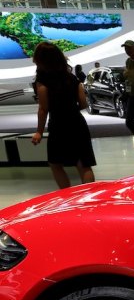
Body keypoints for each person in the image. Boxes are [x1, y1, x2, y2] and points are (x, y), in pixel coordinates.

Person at [30, 41, 96, 189]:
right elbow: (83, 103)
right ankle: (91, 198)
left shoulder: (42, 81)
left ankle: (67, 198)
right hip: (77, 122)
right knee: (84, 164)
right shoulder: (72, 78)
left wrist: (39, 132)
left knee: (55, 164)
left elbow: (43, 109)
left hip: (58, 125)